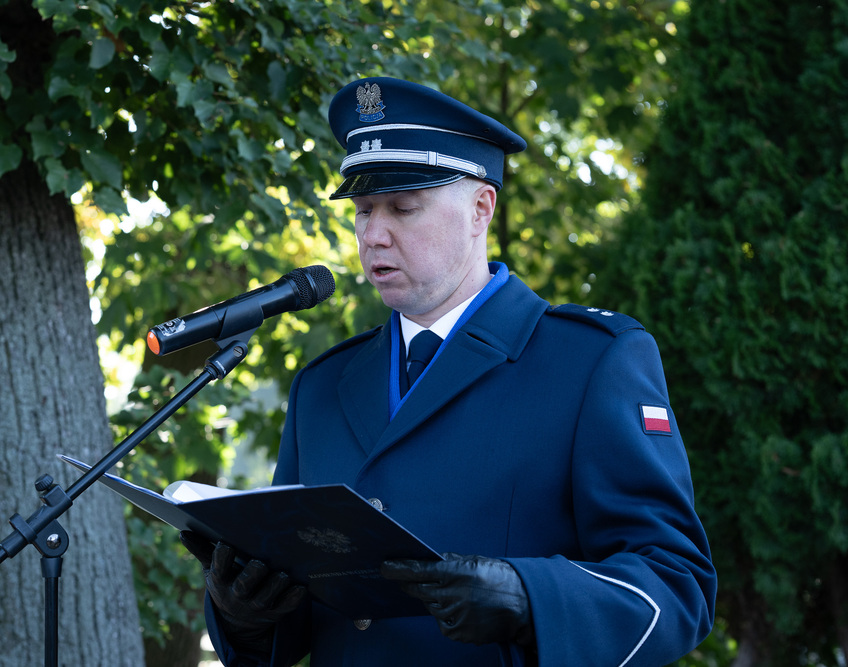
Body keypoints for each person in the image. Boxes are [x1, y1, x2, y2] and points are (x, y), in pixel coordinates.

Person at [181, 76, 717, 666]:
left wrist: (531, 599)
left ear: (481, 208)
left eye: (403, 208)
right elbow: (301, 621)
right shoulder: (322, 387)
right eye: (362, 211)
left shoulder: (591, 360)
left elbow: (676, 585)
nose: (373, 235)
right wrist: (245, 614)